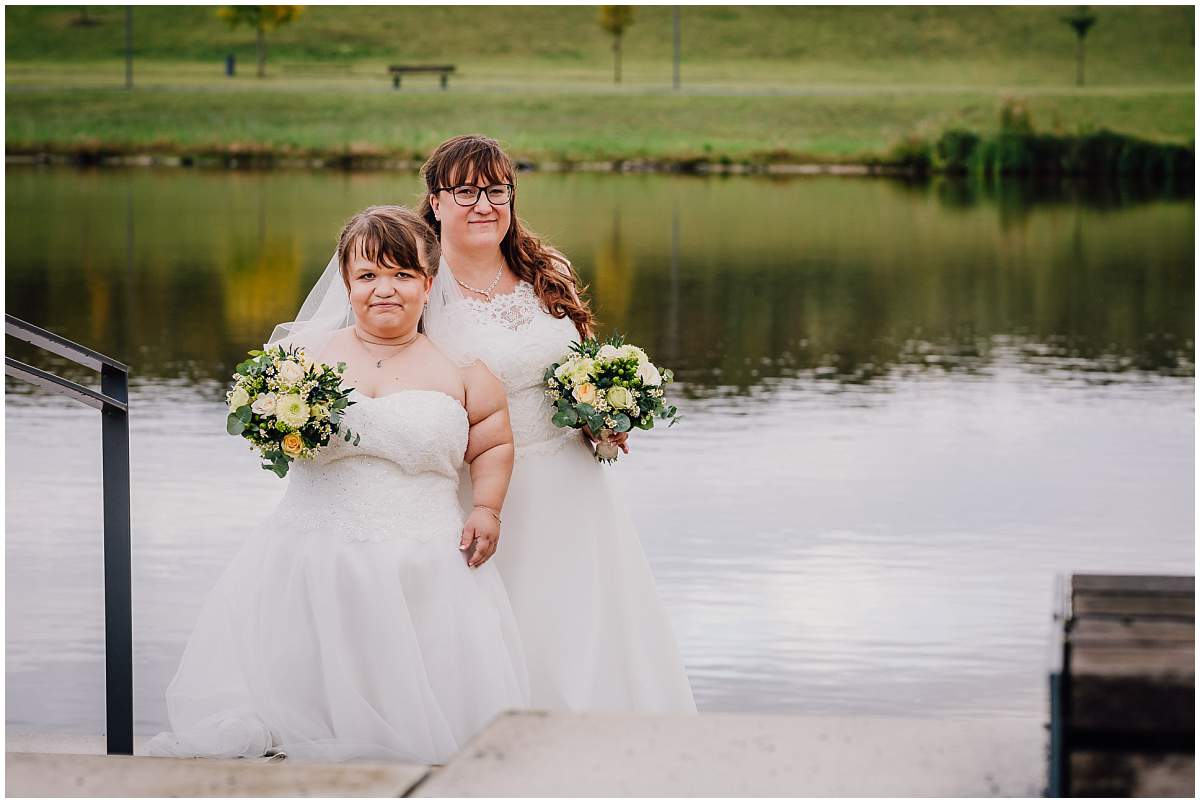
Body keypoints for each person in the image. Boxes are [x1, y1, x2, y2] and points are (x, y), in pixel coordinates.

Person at [145, 205, 529, 763]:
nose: (385, 290)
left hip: (424, 559)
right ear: (346, 283)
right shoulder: (300, 359)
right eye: (368, 275)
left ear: (429, 281)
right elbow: (263, 434)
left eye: (402, 275)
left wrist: (488, 509)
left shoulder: (465, 366)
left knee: (421, 709)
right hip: (308, 550)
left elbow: (493, 443)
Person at [418, 135, 697, 713]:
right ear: (436, 201)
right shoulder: (417, 287)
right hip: (479, 490)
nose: (483, 204)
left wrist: (603, 413)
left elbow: (577, 365)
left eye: (497, 190)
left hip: (572, 483)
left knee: (582, 618)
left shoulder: (545, 270)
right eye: (465, 190)